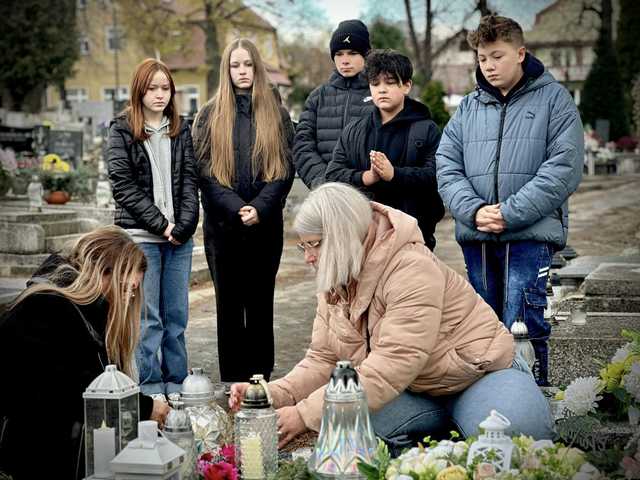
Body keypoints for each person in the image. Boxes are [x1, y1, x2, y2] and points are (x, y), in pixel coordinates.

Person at [229, 183, 553, 452]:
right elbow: (323, 359)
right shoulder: (336, 277)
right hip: (414, 388)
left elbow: (395, 361)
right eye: (303, 248)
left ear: (343, 238)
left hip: (479, 376)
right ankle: (433, 435)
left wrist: (303, 414)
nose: (309, 258)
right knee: (348, 433)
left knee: (514, 438)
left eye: (315, 245)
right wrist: (271, 394)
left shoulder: (410, 268)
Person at [435, 15, 583, 386]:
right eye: (483, 58)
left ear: (520, 53)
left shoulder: (555, 100)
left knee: (524, 324)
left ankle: (534, 403)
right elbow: (447, 165)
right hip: (479, 238)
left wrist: (509, 213)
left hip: (530, 236)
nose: (489, 66)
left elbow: (563, 167)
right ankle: (492, 406)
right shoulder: (468, 107)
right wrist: (472, 210)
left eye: (497, 56)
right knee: (482, 329)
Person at [0, 226, 170, 480]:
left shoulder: (85, 310)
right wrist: (143, 408)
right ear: (103, 272)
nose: (129, 298)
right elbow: (73, 391)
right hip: (37, 460)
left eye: (134, 290)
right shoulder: (46, 309)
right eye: (125, 288)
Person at [192, 39, 294, 383]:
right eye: (235, 66)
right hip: (224, 229)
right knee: (230, 307)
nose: (242, 72)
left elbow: (284, 169)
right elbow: (205, 170)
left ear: (257, 68)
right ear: (227, 70)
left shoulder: (275, 113)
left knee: (261, 304)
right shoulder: (210, 115)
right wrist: (238, 208)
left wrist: (259, 208)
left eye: (248, 65)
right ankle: (234, 383)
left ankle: (260, 380)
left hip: (264, 227)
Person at [107, 58, 199, 396]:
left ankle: (176, 382)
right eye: (152, 88)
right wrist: (162, 226)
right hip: (141, 240)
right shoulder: (121, 129)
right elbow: (123, 184)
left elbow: (190, 180)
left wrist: (184, 226)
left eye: (165, 89)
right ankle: (148, 387)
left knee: (176, 317)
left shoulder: (181, 128)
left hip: (179, 240)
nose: (160, 95)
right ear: (139, 91)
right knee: (148, 319)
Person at [326, 49, 444, 250]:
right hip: (363, 237)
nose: (382, 89)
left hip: (413, 238)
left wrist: (394, 174)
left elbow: (437, 175)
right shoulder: (354, 130)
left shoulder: (426, 130)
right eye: (375, 84)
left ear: (406, 85)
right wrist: (365, 177)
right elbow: (332, 175)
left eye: (389, 83)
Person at [294, 19, 374, 189]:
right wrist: (324, 183)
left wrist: (364, 180)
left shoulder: (379, 94)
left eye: (352, 53)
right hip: (327, 196)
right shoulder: (318, 97)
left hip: (371, 197)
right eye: (339, 54)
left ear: (366, 55)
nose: (344, 60)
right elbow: (303, 145)